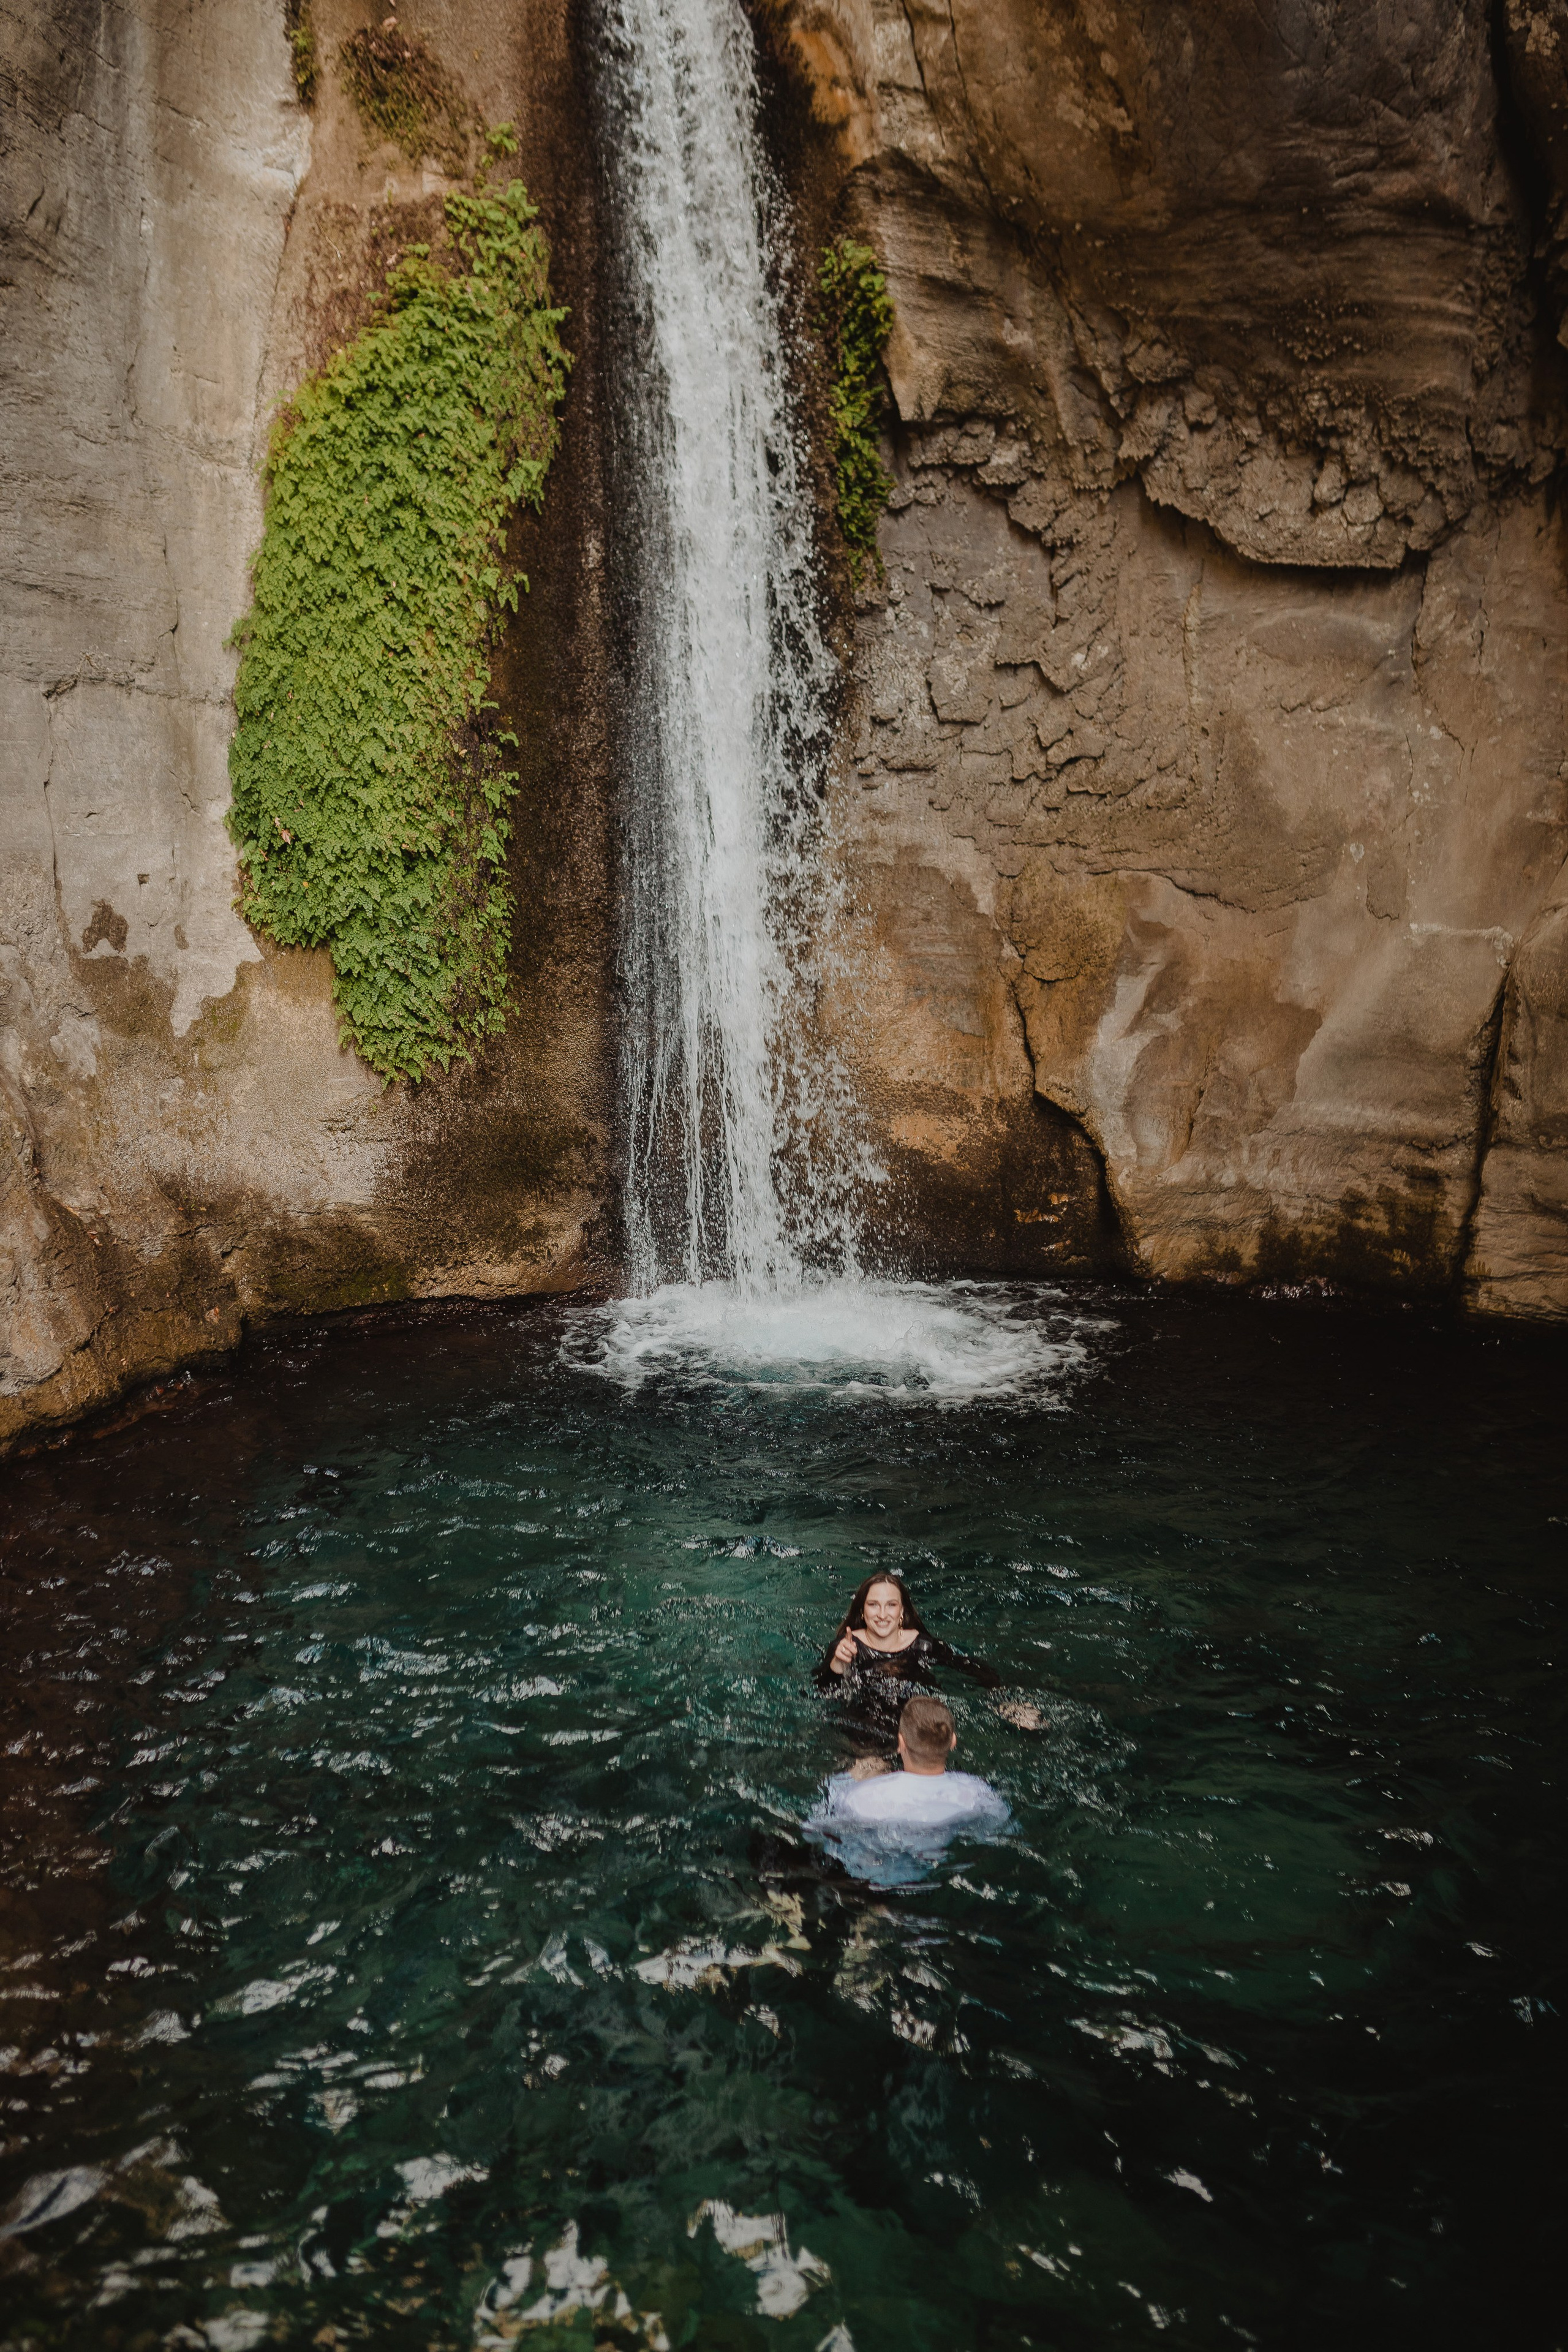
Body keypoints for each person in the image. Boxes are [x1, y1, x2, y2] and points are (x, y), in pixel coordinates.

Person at [813, 1570, 1038, 1760]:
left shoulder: (922, 1645)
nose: (882, 1615)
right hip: (866, 1733)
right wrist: (838, 1665)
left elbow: (970, 1667)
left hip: (918, 1730)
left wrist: (1004, 1699)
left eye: (891, 1605)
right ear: (862, 1611)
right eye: (874, 1605)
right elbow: (822, 1693)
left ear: (902, 1612)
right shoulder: (847, 1646)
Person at [805, 1695, 1009, 1885]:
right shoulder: (976, 1792)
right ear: (953, 1742)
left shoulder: (862, 1796)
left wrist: (850, 1778)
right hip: (923, 1876)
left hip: (861, 1877)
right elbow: (1001, 1829)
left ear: (900, 1743)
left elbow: (812, 1832)